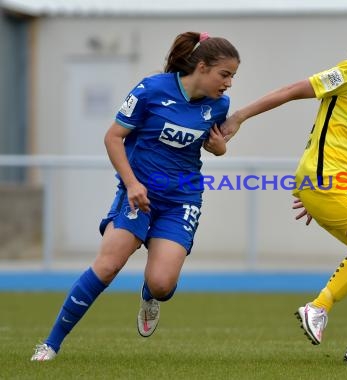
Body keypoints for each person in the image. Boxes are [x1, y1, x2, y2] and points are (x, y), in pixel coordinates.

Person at [221, 25, 347, 364]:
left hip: (337, 188)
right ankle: (318, 307)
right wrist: (239, 117)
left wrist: (321, 199)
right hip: (325, 180)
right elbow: (291, 90)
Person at [30, 31, 240, 361]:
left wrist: (221, 148)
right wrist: (131, 184)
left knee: (161, 284)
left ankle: (149, 295)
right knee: (108, 265)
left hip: (181, 200)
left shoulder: (219, 106)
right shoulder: (152, 89)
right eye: (225, 75)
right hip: (137, 194)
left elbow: (217, 145)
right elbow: (113, 138)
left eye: (232, 77)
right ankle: (50, 344)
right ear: (202, 67)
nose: (229, 84)